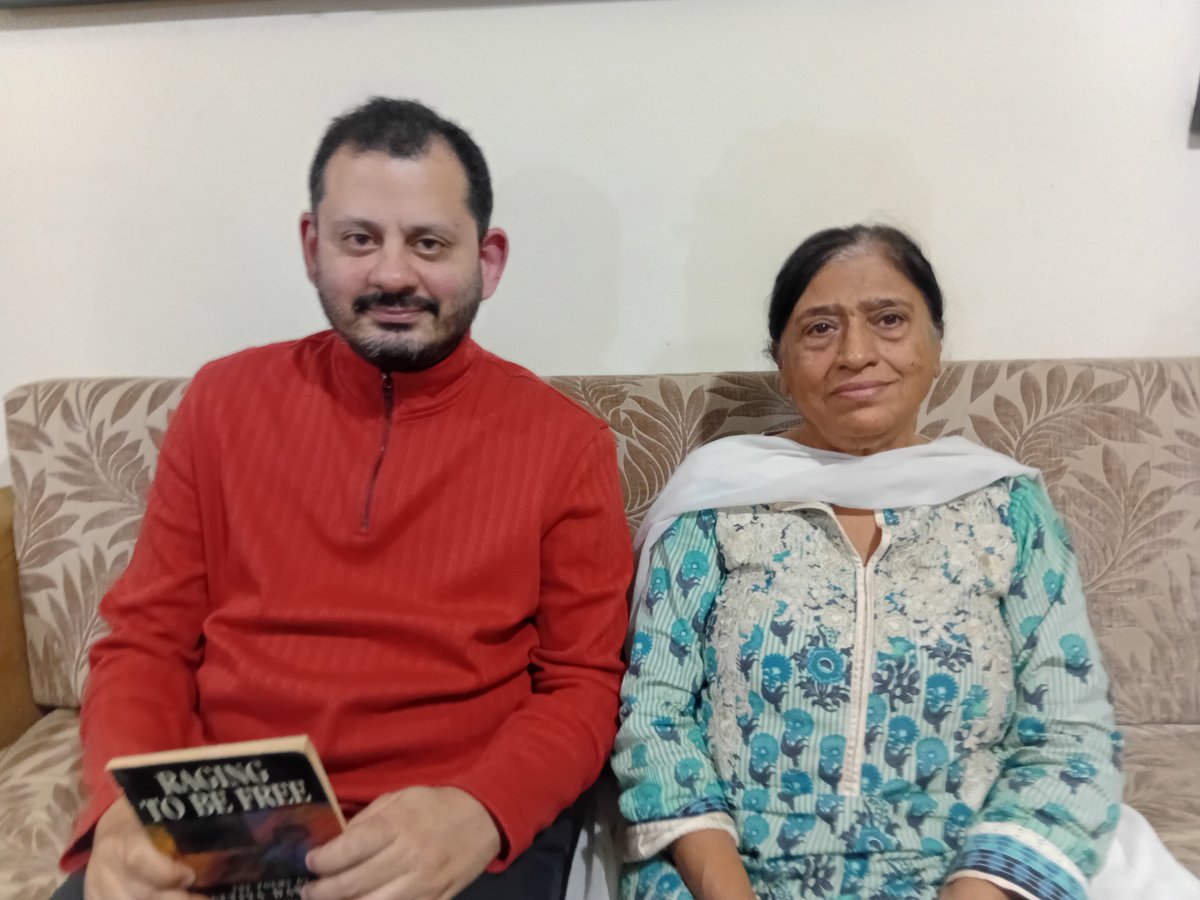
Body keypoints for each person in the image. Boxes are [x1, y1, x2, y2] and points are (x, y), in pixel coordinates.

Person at [53, 97, 633, 900]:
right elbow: (147, 642)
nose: (392, 274)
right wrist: (122, 808)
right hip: (231, 818)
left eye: (428, 243)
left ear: (487, 260)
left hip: (446, 821)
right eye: (359, 239)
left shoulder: (566, 443)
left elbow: (585, 684)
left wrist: (481, 811)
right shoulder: (223, 401)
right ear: (311, 245)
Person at [611, 224, 1127, 900]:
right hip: (729, 879)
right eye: (819, 330)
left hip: (965, 879)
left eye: (888, 320)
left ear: (935, 345)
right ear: (782, 360)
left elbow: (1069, 731)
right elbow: (654, 714)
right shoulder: (717, 503)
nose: (856, 353)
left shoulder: (1005, 506)